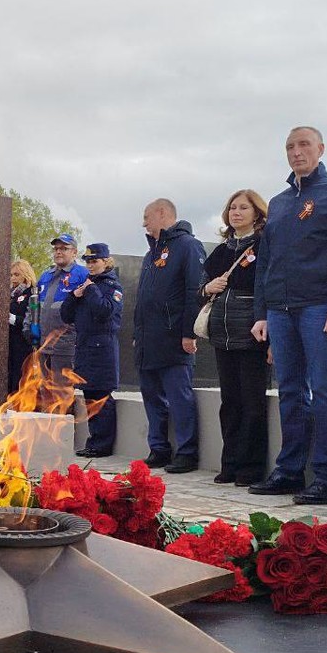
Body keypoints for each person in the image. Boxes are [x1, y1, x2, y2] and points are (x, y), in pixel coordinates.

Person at [250, 127, 327, 504]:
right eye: (290, 147)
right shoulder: (280, 202)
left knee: (326, 389)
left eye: (303, 145)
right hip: (280, 310)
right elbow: (266, 261)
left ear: (321, 149)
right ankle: (289, 470)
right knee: (290, 390)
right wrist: (263, 312)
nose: (296, 152)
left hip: (321, 306)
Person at [201, 189, 270, 485]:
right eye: (232, 208)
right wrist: (208, 288)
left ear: (257, 213)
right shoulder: (221, 250)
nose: (236, 213)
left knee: (252, 404)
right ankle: (229, 463)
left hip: (251, 334)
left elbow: (268, 287)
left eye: (243, 208)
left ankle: (250, 467)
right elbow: (201, 287)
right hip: (223, 333)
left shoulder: (264, 246)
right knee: (229, 402)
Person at [134, 199, 205, 473]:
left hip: (174, 339)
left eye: (147, 216)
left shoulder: (188, 246)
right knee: (152, 398)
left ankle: (187, 452)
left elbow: (194, 292)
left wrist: (188, 333)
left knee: (179, 398)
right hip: (147, 341)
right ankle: (159, 448)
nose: (143, 223)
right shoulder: (150, 254)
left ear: (162, 213)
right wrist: (138, 334)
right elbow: (143, 299)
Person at [61, 243, 123, 457]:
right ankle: (94, 442)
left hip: (102, 350)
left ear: (106, 261)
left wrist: (91, 290)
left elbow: (105, 311)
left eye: (94, 261)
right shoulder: (87, 285)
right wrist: (74, 296)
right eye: (87, 261)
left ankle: (102, 445)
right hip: (85, 348)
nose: (90, 265)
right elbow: (66, 315)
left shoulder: (111, 286)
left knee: (101, 397)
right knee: (89, 395)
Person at [34, 234, 90, 412]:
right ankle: (47, 426)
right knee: (45, 393)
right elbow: (34, 306)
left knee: (62, 393)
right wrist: (31, 328)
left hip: (66, 344)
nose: (58, 252)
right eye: (56, 249)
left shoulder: (82, 274)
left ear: (74, 252)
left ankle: (63, 427)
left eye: (64, 248)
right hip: (44, 344)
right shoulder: (46, 276)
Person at [8, 258, 37, 393]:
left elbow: (32, 319)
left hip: (23, 342)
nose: (13, 278)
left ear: (25, 275)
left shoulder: (31, 293)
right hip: (10, 342)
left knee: (20, 378)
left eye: (16, 274)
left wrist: (12, 319)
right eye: (11, 275)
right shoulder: (11, 294)